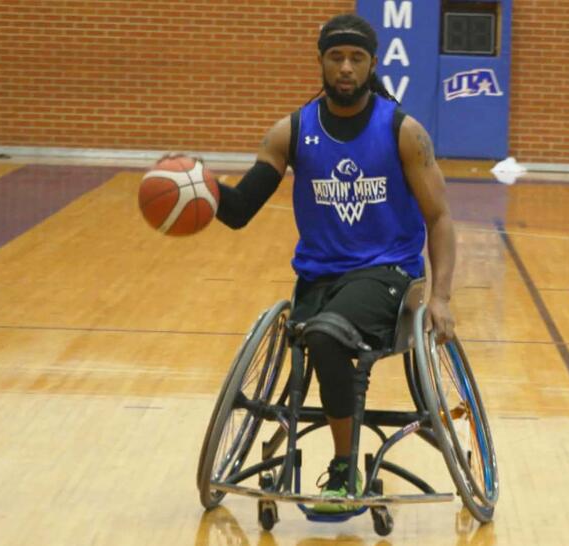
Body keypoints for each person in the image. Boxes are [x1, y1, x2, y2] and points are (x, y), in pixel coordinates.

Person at [175, 13, 456, 512]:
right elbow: (239, 212)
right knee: (319, 331)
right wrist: (197, 185)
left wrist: (441, 298)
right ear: (322, 62)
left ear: (371, 64)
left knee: (326, 335)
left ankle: (345, 468)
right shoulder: (291, 131)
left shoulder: (403, 132)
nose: (345, 67)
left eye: (356, 58)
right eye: (336, 57)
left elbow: (439, 218)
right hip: (318, 280)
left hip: (388, 275)